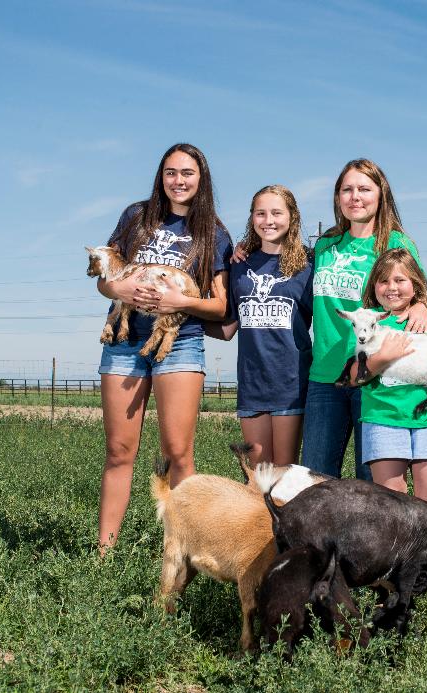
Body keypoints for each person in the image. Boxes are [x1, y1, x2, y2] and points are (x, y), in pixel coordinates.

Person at [94, 143, 232, 551]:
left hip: (180, 343)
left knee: (177, 451)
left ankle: (182, 554)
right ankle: (103, 554)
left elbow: (221, 304)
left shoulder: (214, 233)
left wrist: (181, 302)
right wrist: (117, 287)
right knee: (119, 451)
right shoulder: (136, 217)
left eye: (187, 173)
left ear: (201, 178)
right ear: (161, 177)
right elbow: (105, 277)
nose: (178, 181)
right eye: (170, 173)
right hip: (123, 343)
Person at [302, 159, 427, 480]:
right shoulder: (325, 247)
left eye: (364, 189)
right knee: (315, 482)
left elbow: (415, 292)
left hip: (373, 378)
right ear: (337, 197)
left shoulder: (396, 244)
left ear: (380, 194)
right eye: (347, 189)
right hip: (325, 377)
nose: (354, 196)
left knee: (370, 484)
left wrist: (421, 306)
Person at [205, 185, 313, 465]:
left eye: (277, 213)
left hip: (291, 382)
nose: (269, 220)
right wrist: (183, 318)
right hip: (252, 384)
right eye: (260, 213)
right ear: (252, 217)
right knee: (257, 476)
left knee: (285, 473)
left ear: (292, 217)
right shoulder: (239, 264)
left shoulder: (309, 264)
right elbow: (229, 328)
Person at [357, 248, 427, 512]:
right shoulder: (366, 321)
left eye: (399, 280)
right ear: (374, 286)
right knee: (391, 499)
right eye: (383, 281)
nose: (391, 288)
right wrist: (384, 357)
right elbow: (356, 375)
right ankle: (394, 554)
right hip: (383, 419)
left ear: (415, 285)